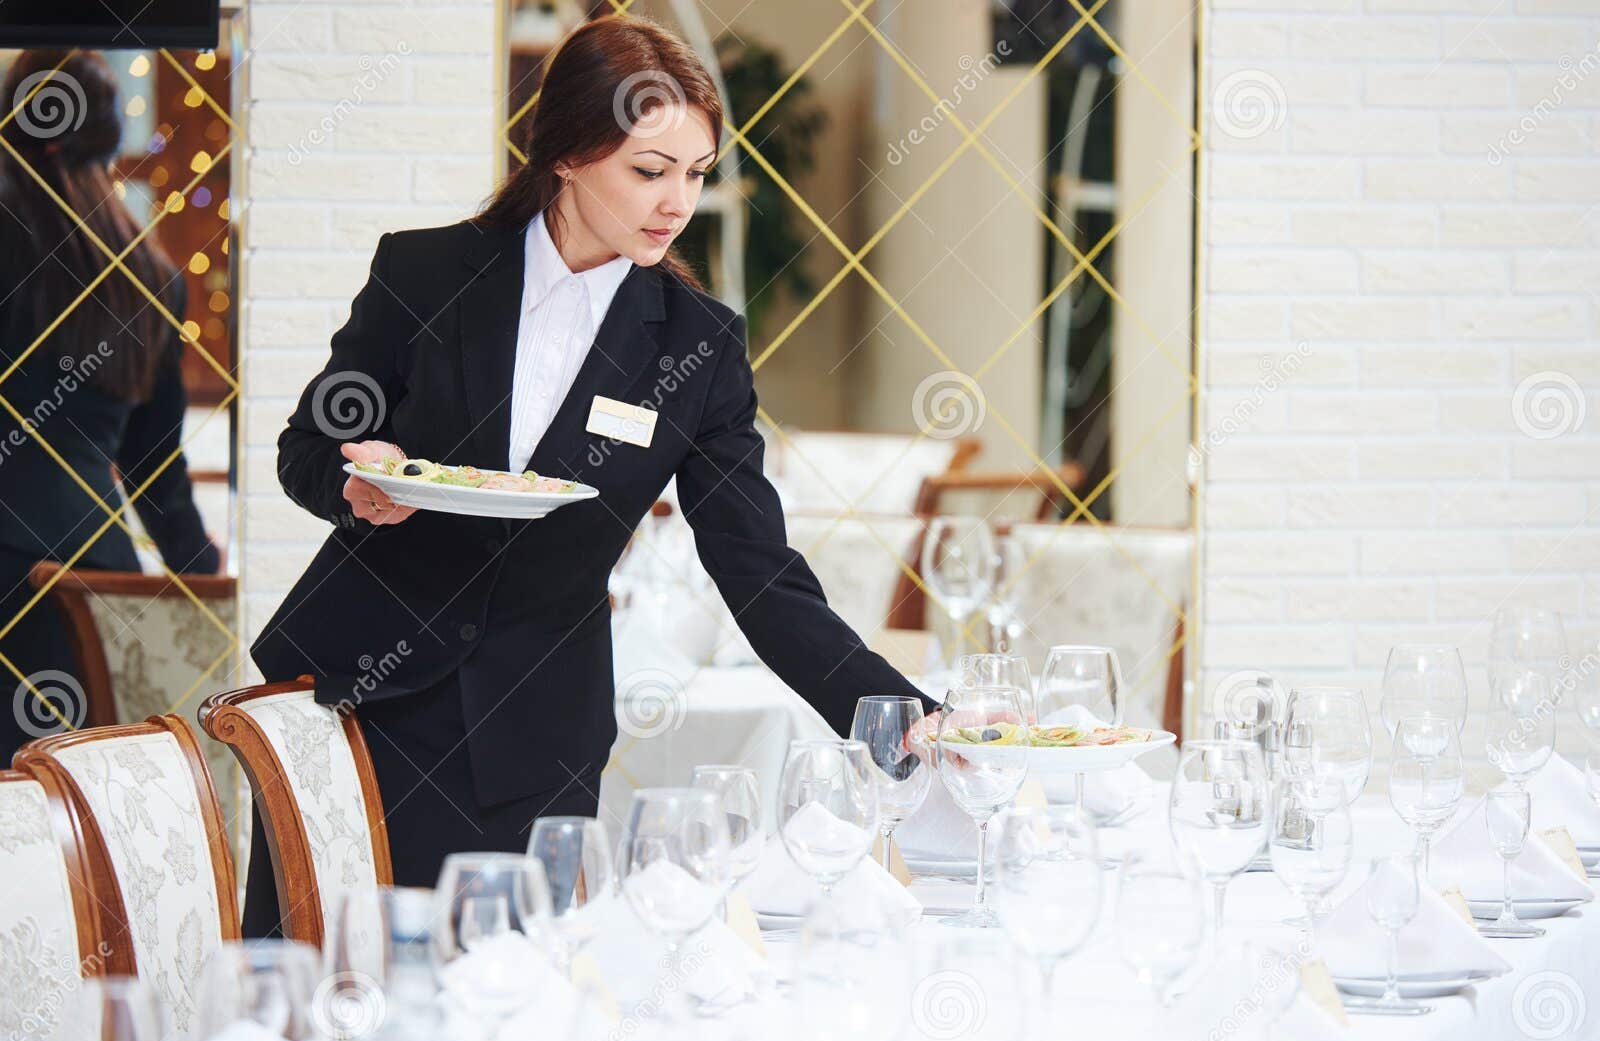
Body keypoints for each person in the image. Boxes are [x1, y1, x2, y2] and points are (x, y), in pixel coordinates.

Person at [246, 13, 938, 935]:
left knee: (494, 1022)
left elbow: (758, 570)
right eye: (649, 172)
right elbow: (307, 448)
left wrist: (898, 716)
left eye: (695, 173)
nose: (676, 203)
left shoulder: (698, 345)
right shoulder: (427, 270)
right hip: (353, 705)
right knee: (308, 990)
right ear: (567, 155)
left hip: (530, 731)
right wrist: (354, 482)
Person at [0, 51, 220, 761]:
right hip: (93, 584)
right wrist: (203, 577)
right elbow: (157, 467)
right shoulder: (148, 271)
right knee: (68, 819)